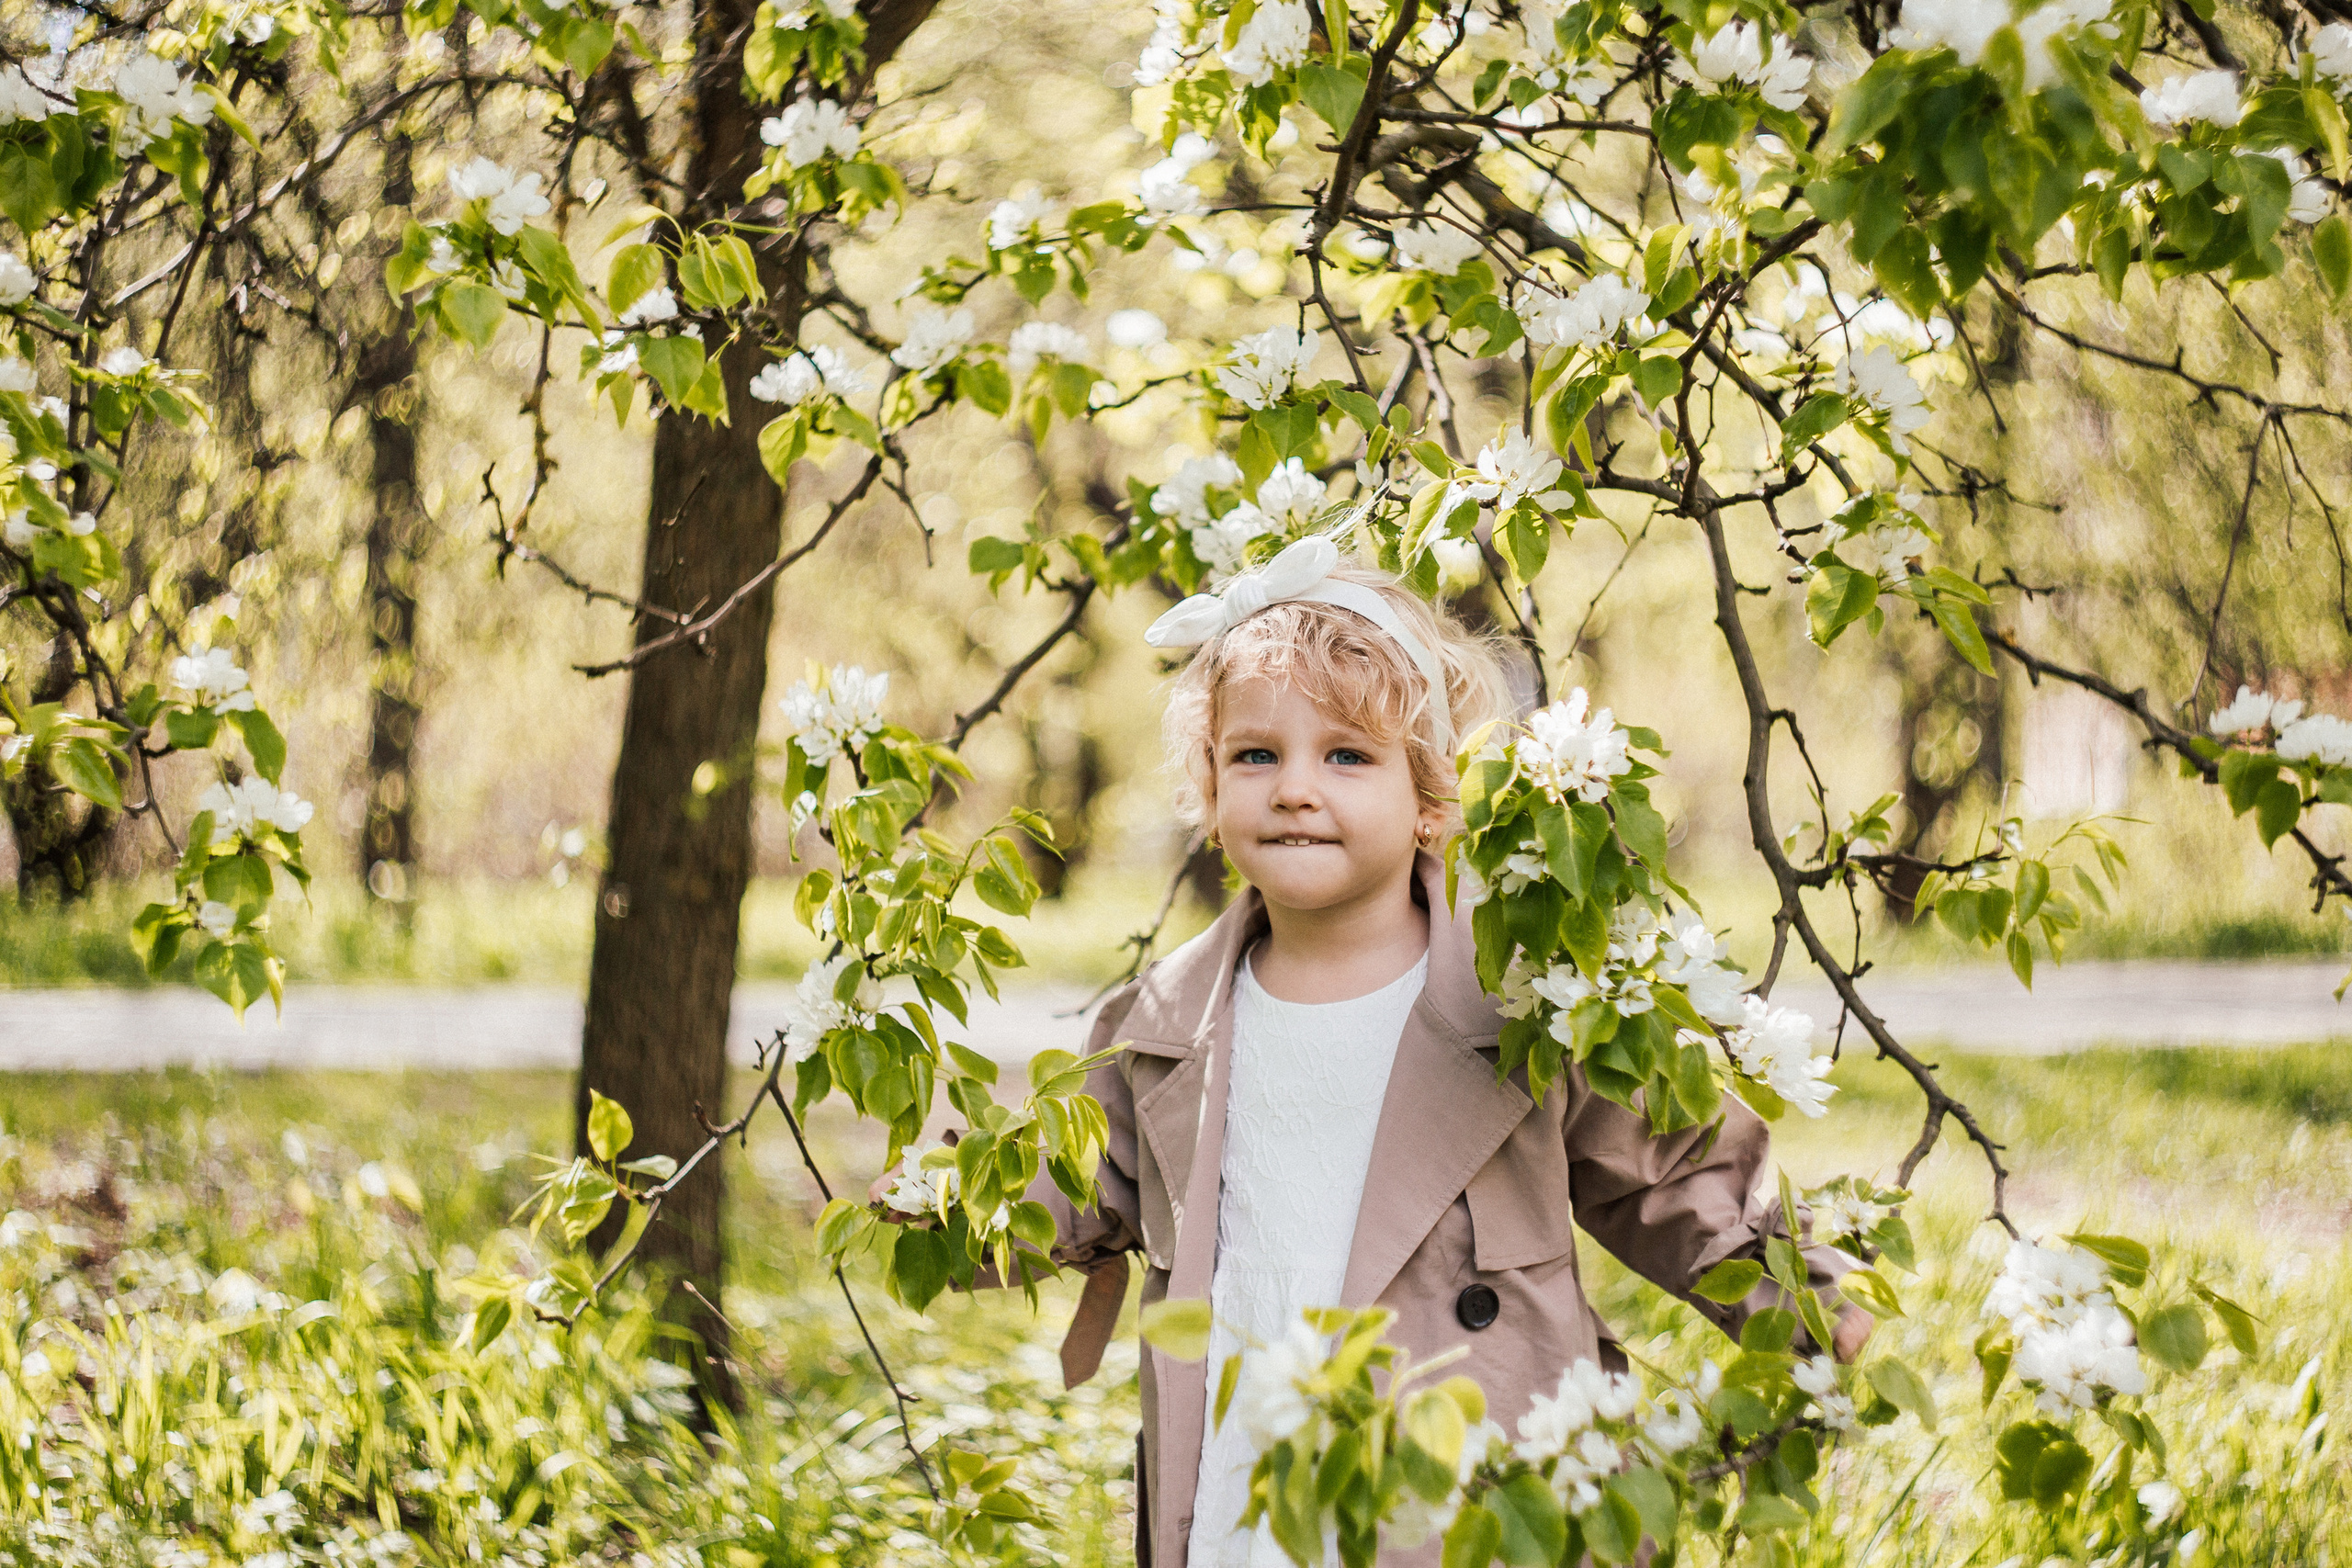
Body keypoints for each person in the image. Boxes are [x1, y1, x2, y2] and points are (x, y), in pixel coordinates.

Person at [876, 533, 1869, 1567]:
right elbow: (1090, 1180)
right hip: (1249, 1447)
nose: (1296, 789)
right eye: (1255, 755)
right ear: (1209, 786)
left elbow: (1671, 1171)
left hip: (1472, 1467)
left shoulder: (1520, 996)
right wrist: (949, 1207)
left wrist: (1809, 1299)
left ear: (1430, 793)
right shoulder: (1164, 1019)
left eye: (1346, 756)